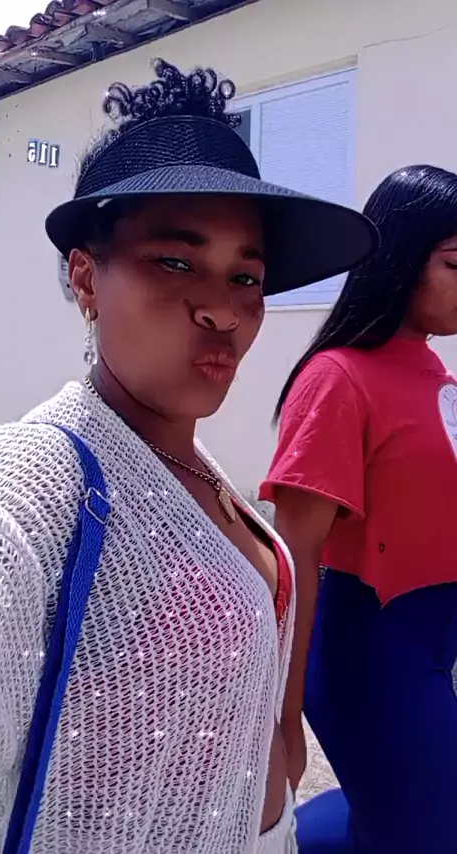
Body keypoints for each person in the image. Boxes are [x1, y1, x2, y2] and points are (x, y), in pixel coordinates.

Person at [0, 59, 376, 854]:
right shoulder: (35, 484)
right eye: (174, 261)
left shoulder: (198, 468)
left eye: (247, 275)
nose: (224, 310)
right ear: (86, 279)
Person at [260, 164, 457, 854]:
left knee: (406, 818)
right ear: (401, 258)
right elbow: (295, 556)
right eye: (456, 264)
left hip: (433, 642)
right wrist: (283, 715)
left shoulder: (437, 376)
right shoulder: (338, 379)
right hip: (370, 655)